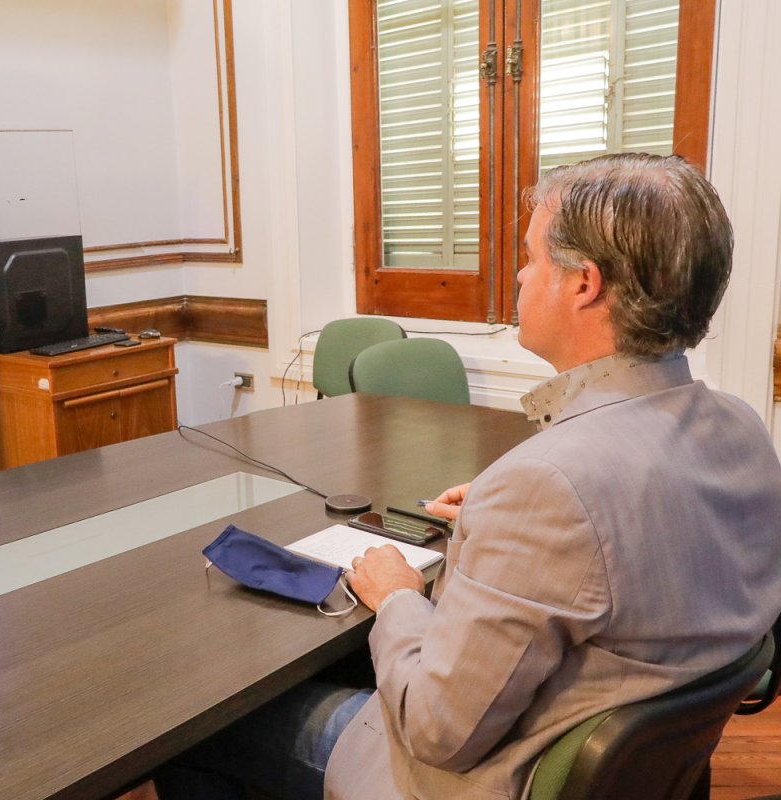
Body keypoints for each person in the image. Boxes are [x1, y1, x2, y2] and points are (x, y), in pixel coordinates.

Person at [153, 153, 781, 800]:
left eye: (531, 257)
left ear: (583, 284)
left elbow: (436, 732)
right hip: (639, 769)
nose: (520, 274)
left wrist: (396, 595)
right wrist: (508, 517)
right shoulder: (742, 429)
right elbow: (643, 537)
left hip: (466, 781)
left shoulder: (551, 485)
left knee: (198, 729)